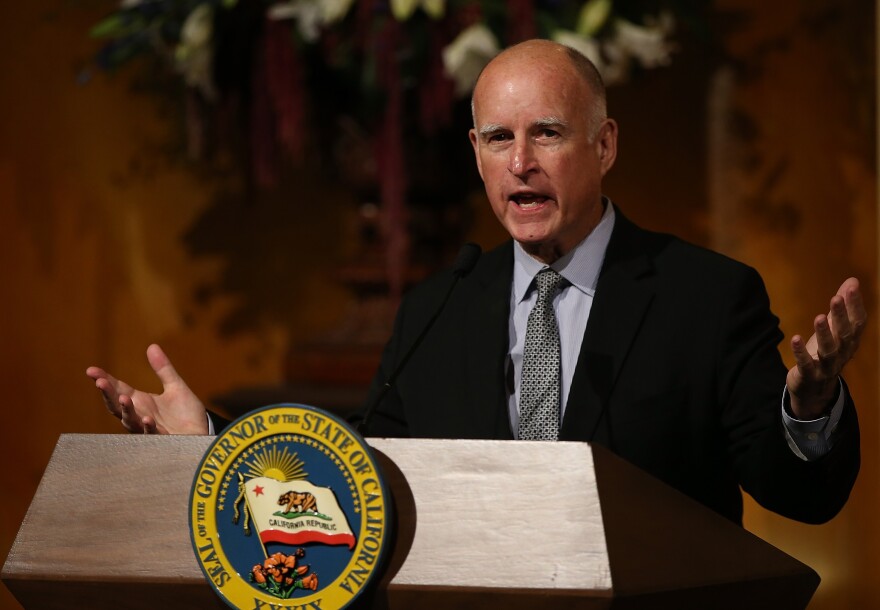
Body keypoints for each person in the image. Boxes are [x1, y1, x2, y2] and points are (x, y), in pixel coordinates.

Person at [87, 39, 864, 525]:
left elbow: (800, 496)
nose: (519, 161)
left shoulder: (706, 296)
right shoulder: (441, 306)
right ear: (475, 152)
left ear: (605, 145)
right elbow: (363, 473)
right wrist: (215, 444)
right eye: (498, 138)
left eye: (547, 133)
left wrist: (810, 403)